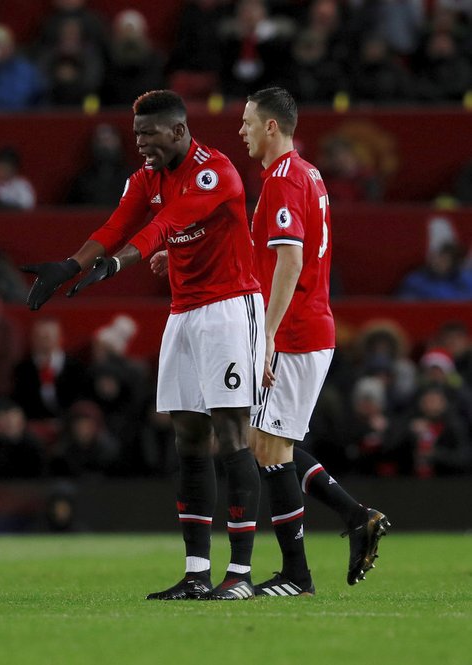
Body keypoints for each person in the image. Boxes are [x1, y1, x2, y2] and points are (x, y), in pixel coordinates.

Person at [23, 90, 264, 601]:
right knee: (189, 440)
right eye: (136, 136)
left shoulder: (213, 172)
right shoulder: (145, 177)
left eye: (150, 135)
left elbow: (164, 225)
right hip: (183, 311)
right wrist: (72, 264)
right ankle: (197, 573)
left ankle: (240, 574)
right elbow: (117, 224)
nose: (141, 145)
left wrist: (113, 266)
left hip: (228, 308)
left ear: (178, 131)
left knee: (232, 435)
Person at [236, 87, 389, 594]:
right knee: (267, 443)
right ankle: (355, 516)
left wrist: (269, 338)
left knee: (270, 448)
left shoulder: (283, 180)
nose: (243, 132)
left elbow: (290, 260)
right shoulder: (308, 173)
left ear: (272, 127)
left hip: (296, 331)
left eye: (249, 123)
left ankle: (296, 575)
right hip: (306, 324)